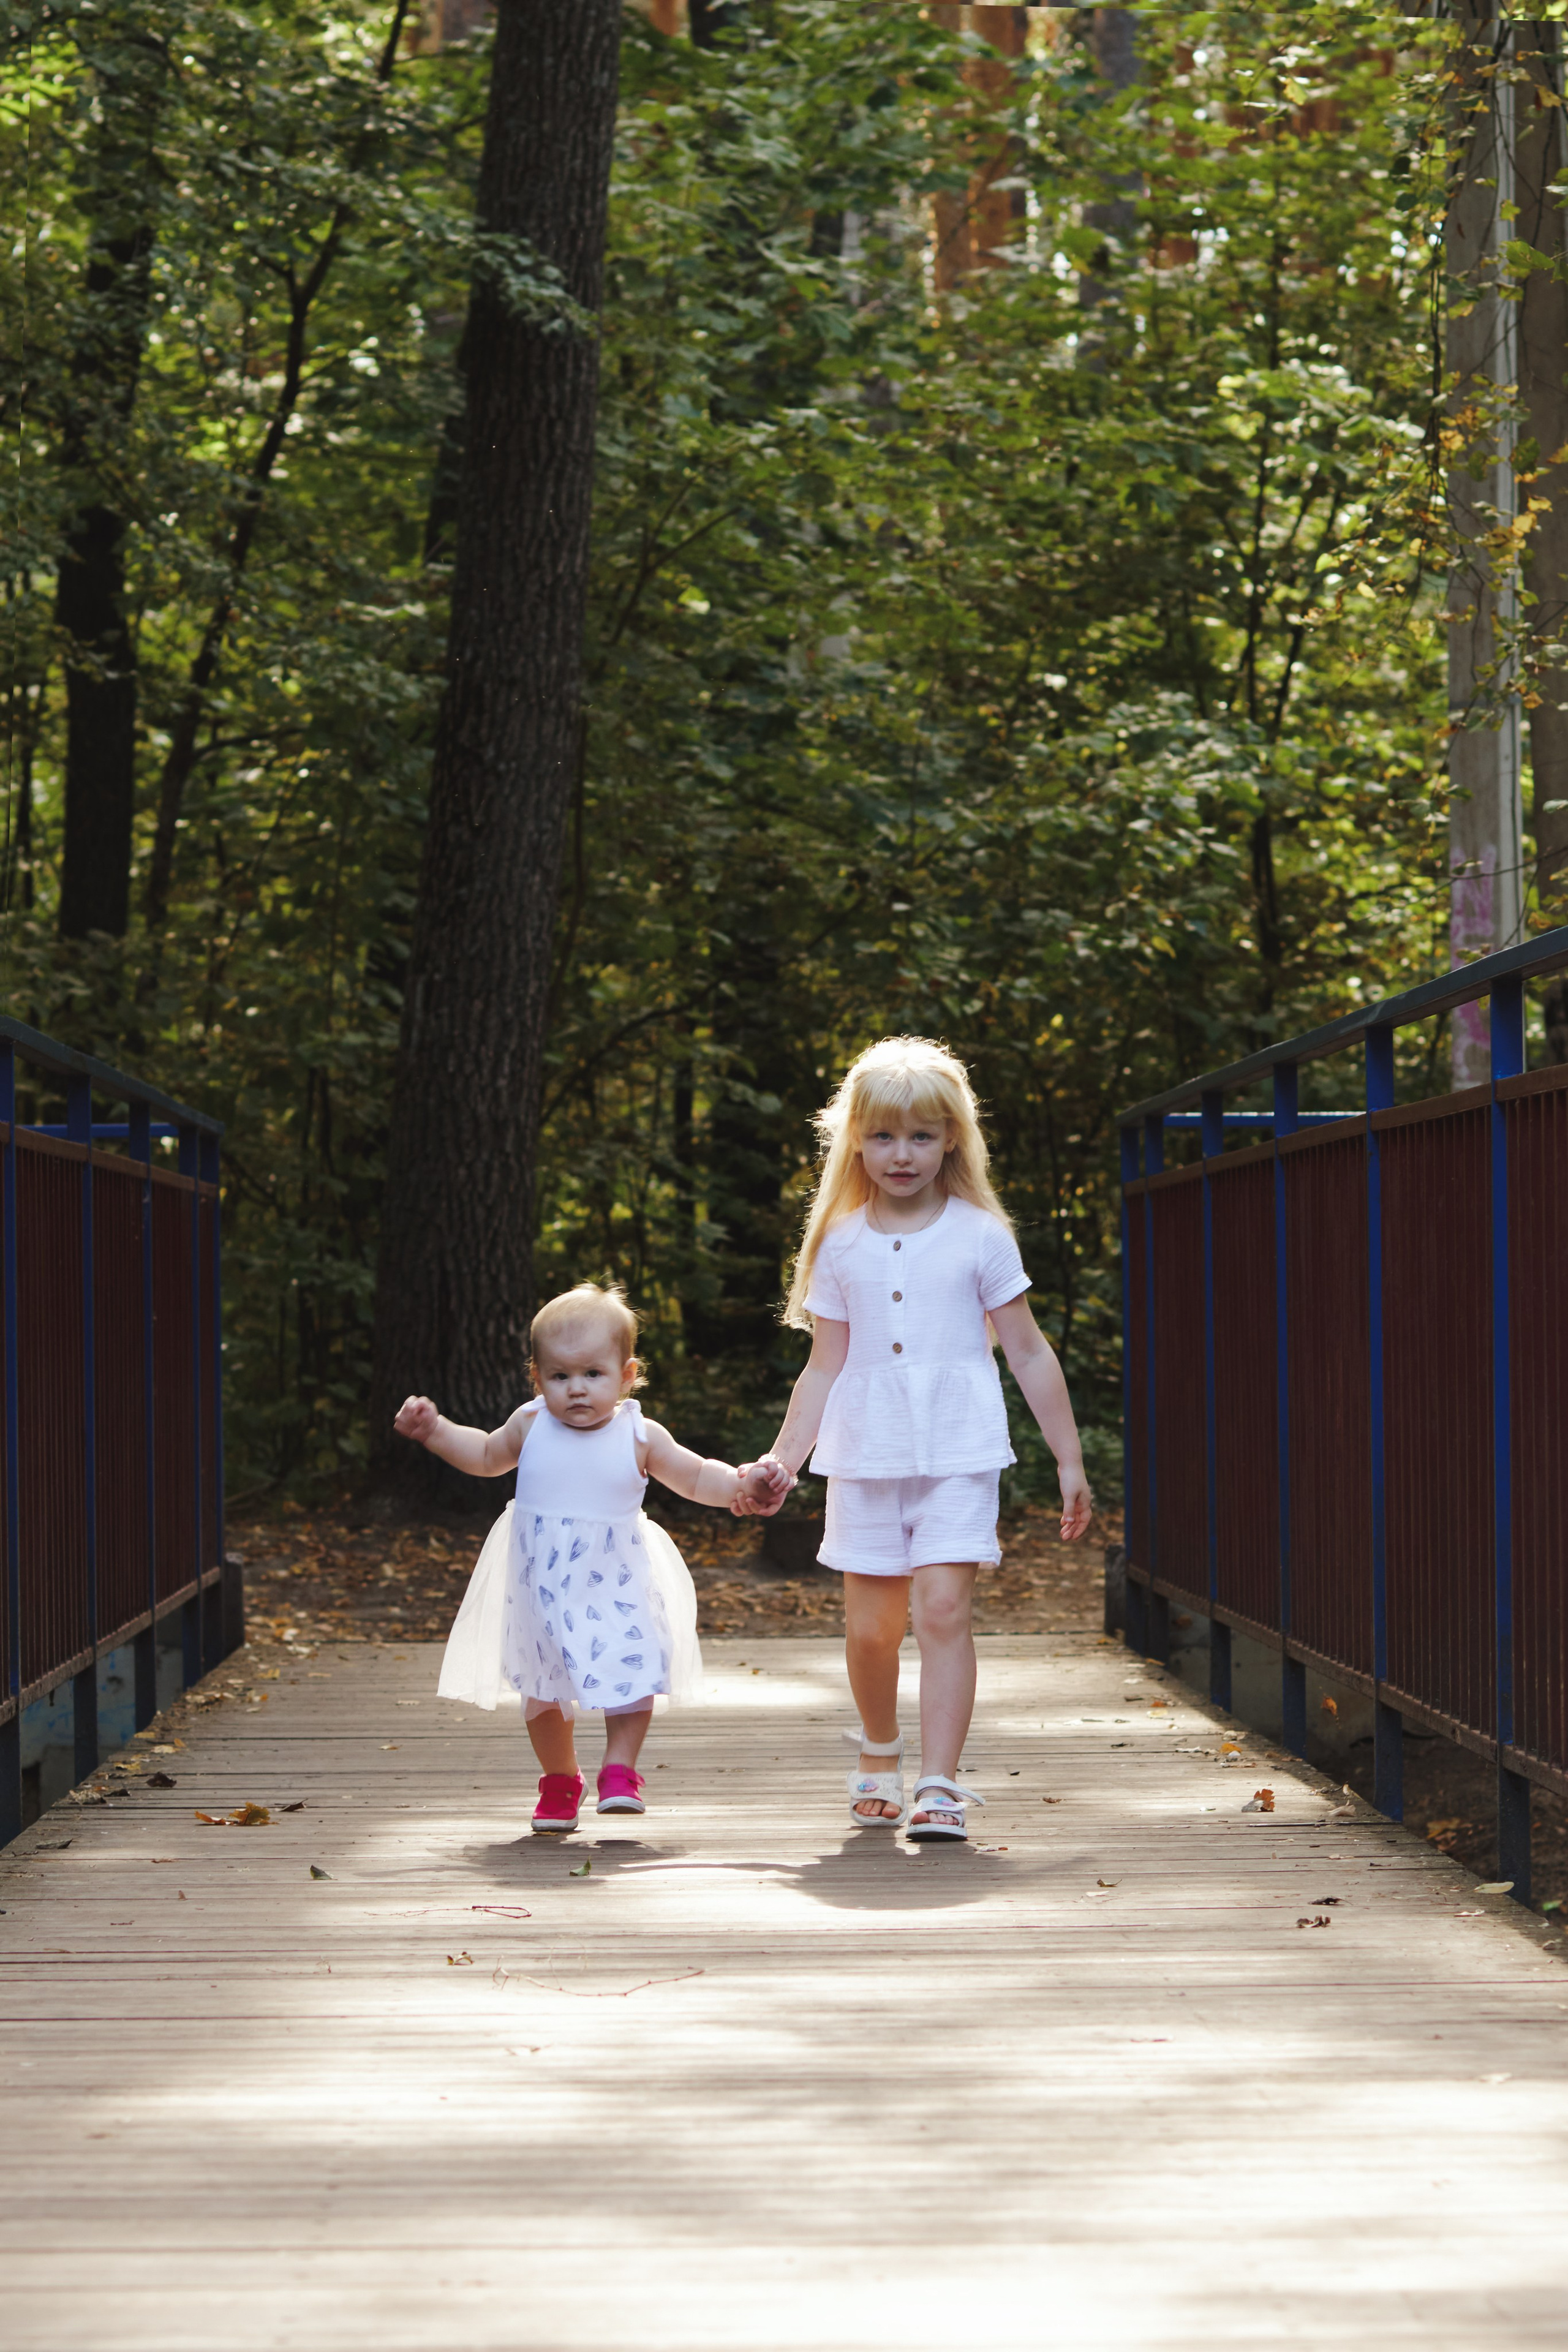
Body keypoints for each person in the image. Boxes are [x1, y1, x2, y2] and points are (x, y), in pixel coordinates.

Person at [747, 1037, 1092, 1843]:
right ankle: (880, 1748)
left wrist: (1069, 1461)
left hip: (958, 1453)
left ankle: (940, 1784)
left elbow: (1031, 1350)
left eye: (923, 1136)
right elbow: (823, 1368)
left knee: (943, 1611)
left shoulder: (980, 1236)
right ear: (856, 1142)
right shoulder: (839, 1243)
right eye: (884, 1136)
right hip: (864, 1458)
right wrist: (781, 1462)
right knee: (872, 1630)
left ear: (952, 1142)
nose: (902, 1155)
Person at [394, 1282, 786, 1834]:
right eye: (559, 1376)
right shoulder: (531, 1425)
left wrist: (741, 1483)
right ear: (537, 1378)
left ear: (627, 1374)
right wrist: (435, 1431)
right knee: (544, 1690)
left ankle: (620, 1771)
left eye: (593, 1375)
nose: (576, 1390)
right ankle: (559, 1780)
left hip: (614, 1579)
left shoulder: (639, 1434)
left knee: (631, 1668)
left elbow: (697, 1475)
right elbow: (483, 1455)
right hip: (542, 1588)